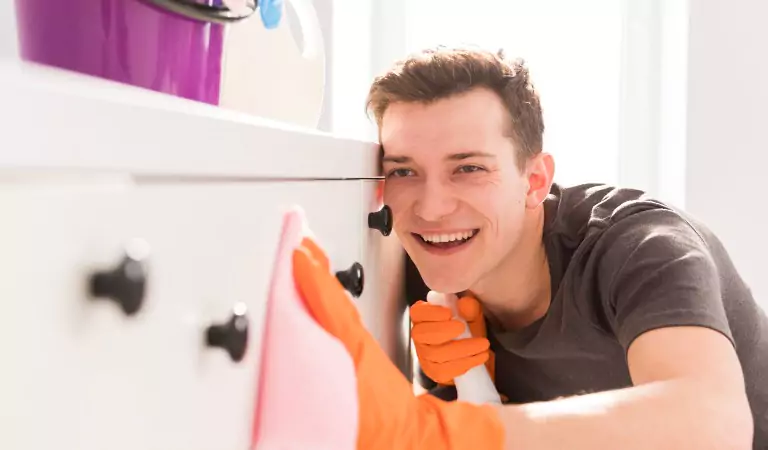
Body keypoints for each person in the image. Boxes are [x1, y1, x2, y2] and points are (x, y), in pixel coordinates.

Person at [294, 45, 768, 449]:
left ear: (534, 180)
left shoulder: (640, 248)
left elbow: (715, 423)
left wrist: (450, 430)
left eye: (469, 168)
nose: (431, 209)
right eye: (403, 170)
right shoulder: (430, 263)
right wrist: (461, 389)